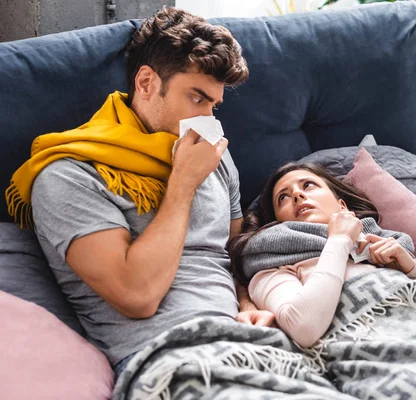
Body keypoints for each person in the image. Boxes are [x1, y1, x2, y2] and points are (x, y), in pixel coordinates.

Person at [5, 7, 273, 375]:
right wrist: (182, 183)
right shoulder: (69, 173)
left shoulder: (212, 157)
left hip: (253, 341)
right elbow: (137, 295)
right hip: (171, 357)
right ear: (146, 83)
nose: (208, 120)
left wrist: (246, 302)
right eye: (197, 98)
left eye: (214, 104)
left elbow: (233, 255)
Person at [228, 162, 416, 348]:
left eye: (308, 185)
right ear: (277, 223)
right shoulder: (273, 264)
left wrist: (415, 270)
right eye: (283, 197)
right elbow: (303, 327)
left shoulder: (385, 250)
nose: (297, 194)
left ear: (342, 205)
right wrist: (338, 241)